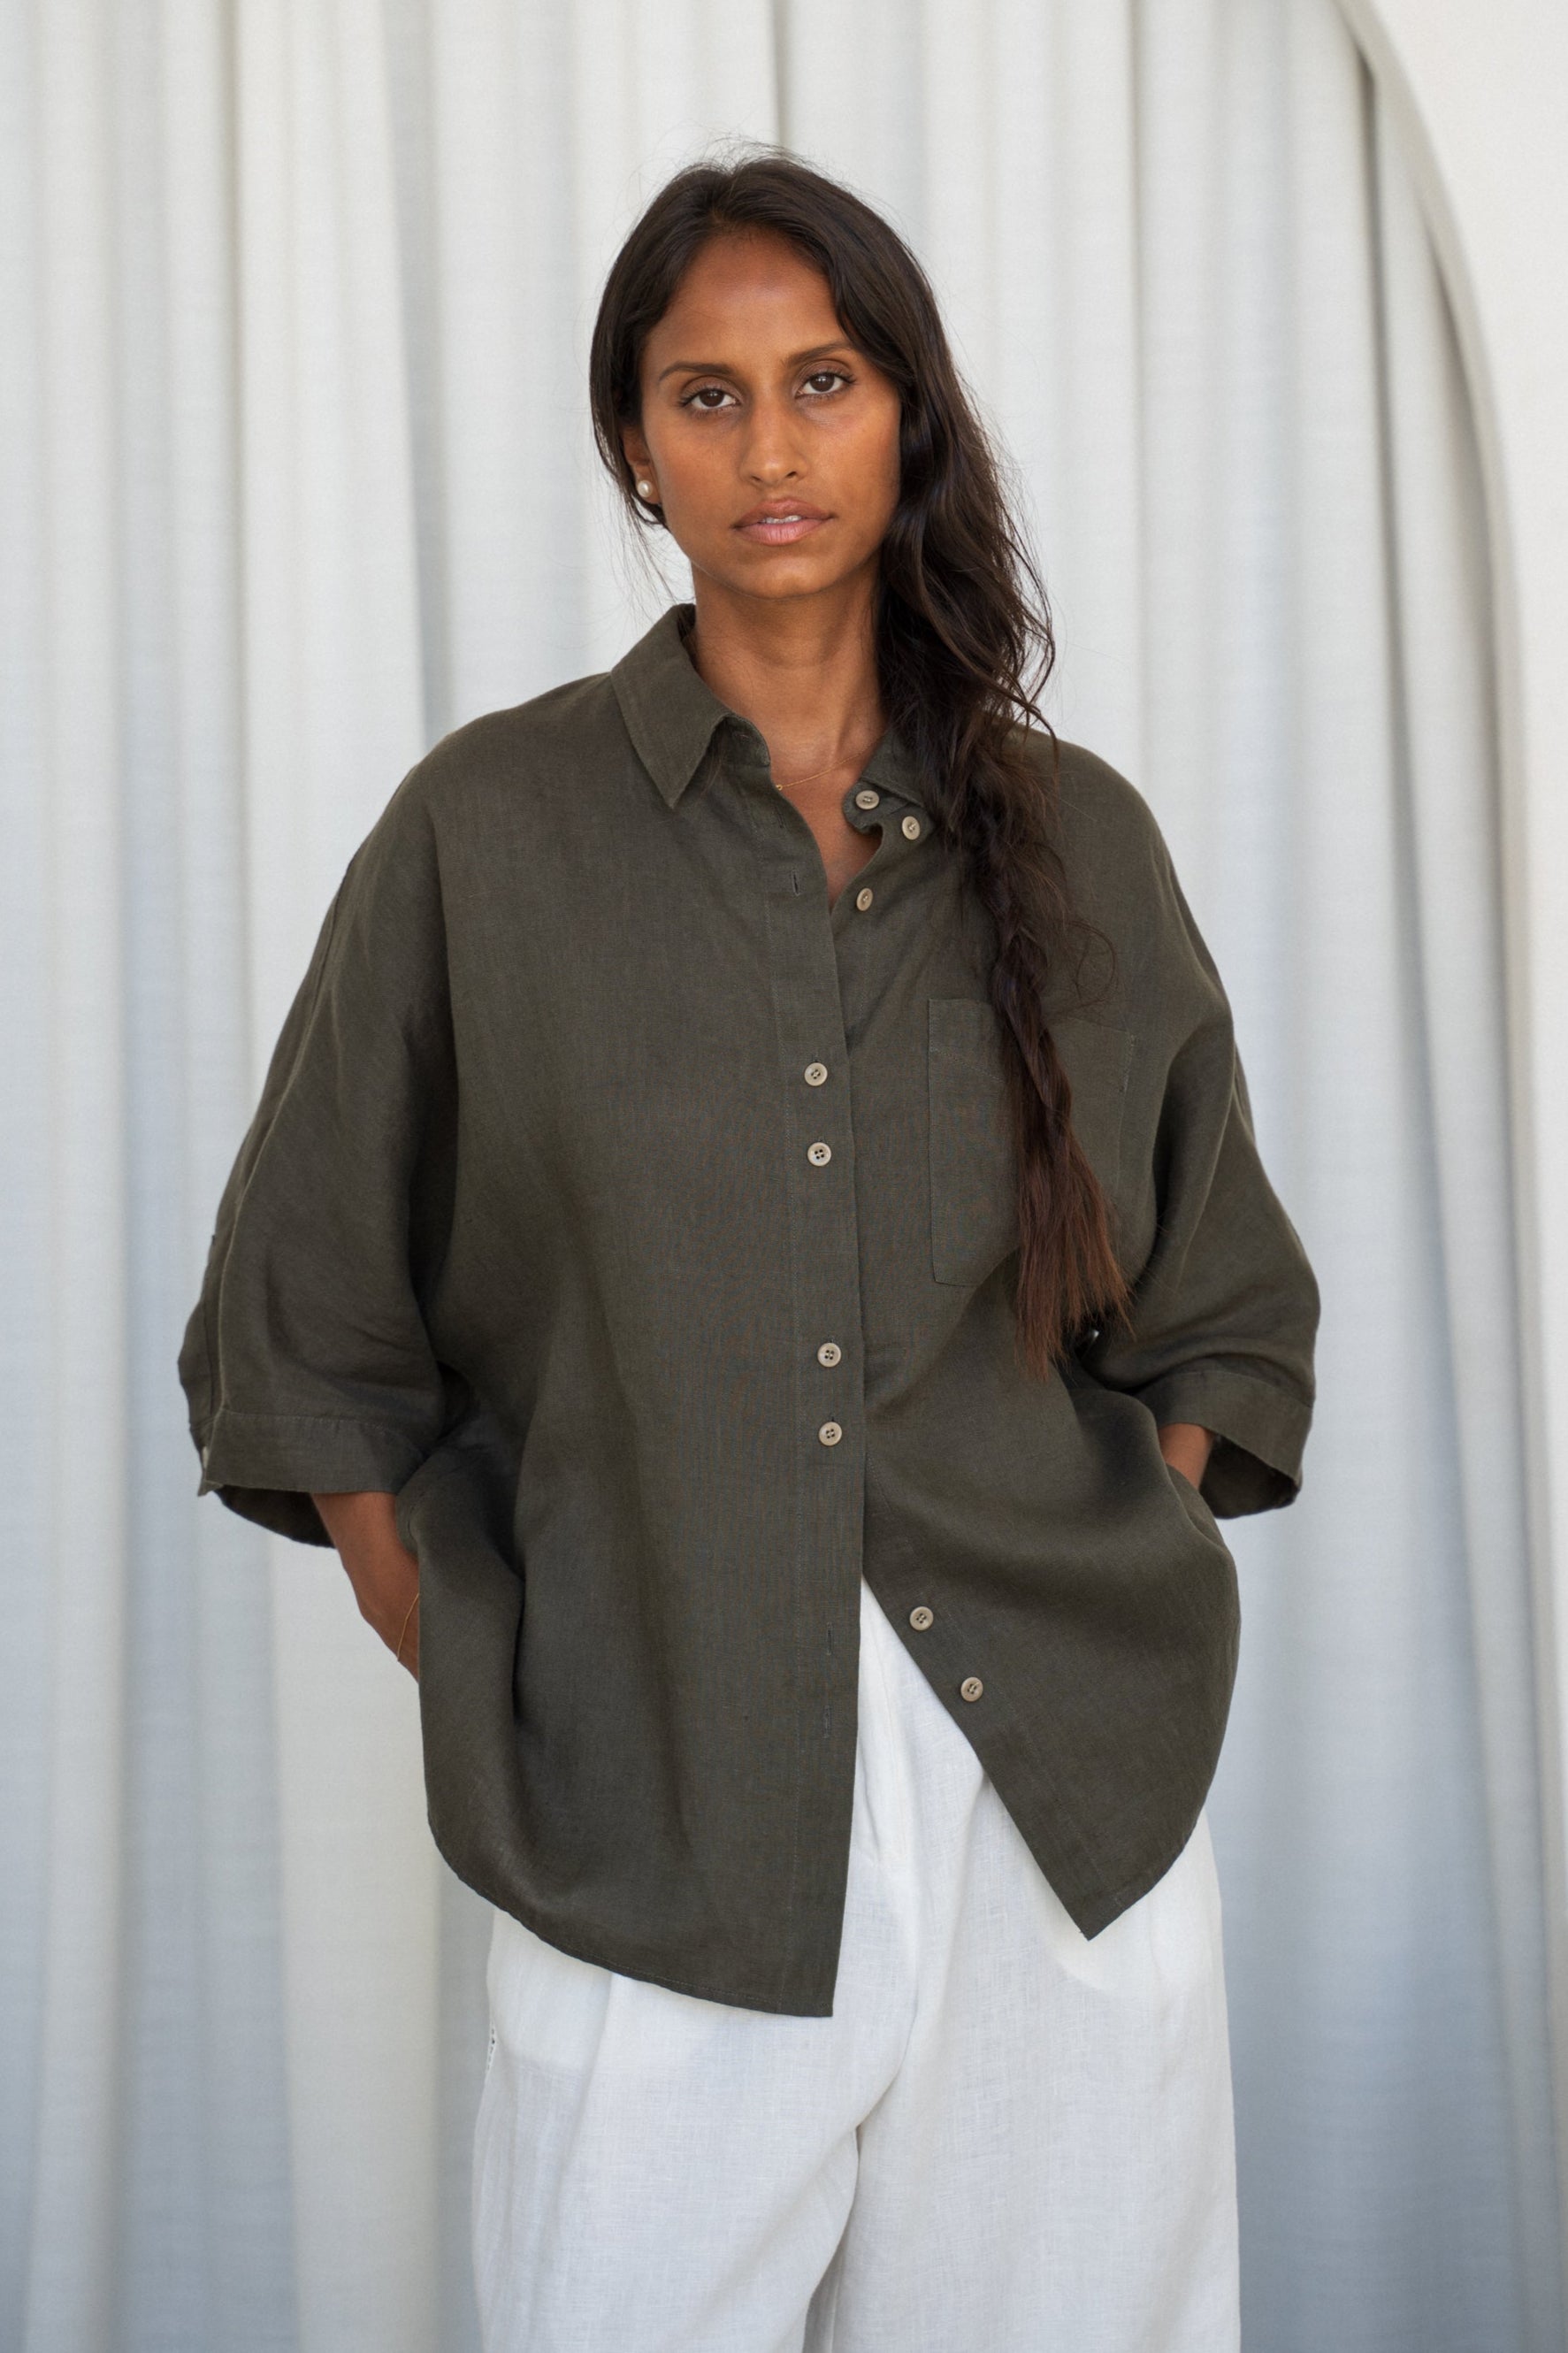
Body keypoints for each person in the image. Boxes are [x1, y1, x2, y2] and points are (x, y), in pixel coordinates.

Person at [180, 149, 1318, 2353]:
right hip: (655, 1822)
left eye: (820, 379)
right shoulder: (482, 838)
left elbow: (1219, 1310)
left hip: (1051, 1825)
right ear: (631, 439)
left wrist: (1095, 1572)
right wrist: (543, 1673)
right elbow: (306, 1317)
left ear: (908, 412)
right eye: (703, 396)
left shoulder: (1076, 840)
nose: (770, 448)